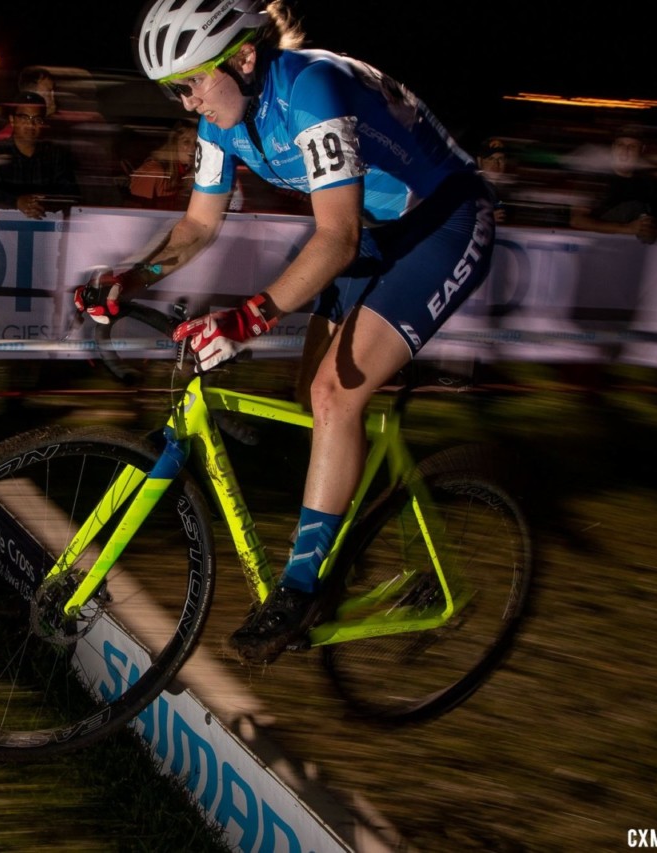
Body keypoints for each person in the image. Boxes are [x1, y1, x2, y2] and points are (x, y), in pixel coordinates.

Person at [73, 0, 496, 664]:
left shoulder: (311, 89)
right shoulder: (225, 115)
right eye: (173, 90)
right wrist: (134, 275)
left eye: (191, 84)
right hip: (374, 234)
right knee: (312, 396)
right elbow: (198, 227)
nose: (187, 104)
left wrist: (250, 317)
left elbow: (338, 234)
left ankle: (298, 592)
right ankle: (343, 542)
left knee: (334, 395)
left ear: (241, 59)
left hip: (442, 221)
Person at [0, 91, 80, 220]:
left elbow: (71, 193)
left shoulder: (56, 154)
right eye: (24, 118)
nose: (30, 125)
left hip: (47, 228)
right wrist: (16, 201)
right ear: (12, 120)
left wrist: (43, 203)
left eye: (37, 119)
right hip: (1, 229)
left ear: (43, 123)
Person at [568, 127, 657, 243]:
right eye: (620, 145)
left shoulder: (649, 184)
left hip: (635, 251)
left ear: (641, 150)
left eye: (632, 146)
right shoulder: (596, 178)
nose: (625, 150)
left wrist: (654, 229)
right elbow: (577, 220)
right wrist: (626, 229)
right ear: (613, 148)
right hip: (597, 246)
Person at [127, 120, 198, 209]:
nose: (193, 148)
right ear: (173, 144)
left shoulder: (184, 173)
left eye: (196, 143)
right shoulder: (153, 172)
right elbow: (135, 212)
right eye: (186, 142)